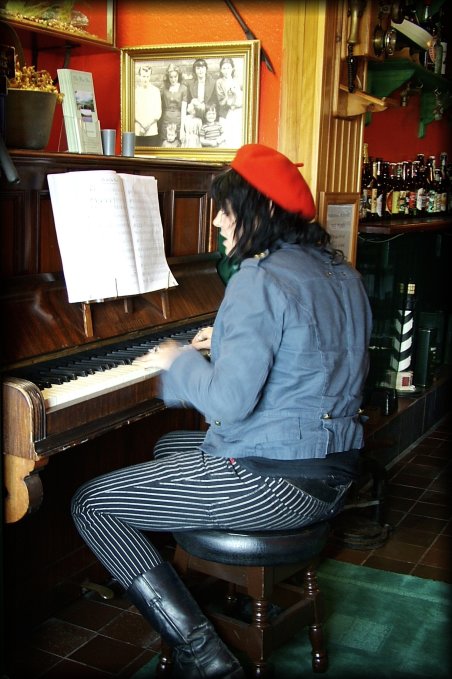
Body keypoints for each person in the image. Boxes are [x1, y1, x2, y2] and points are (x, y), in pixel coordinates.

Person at [71, 143, 372, 679]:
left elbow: (230, 405)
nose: (215, 220)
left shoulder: (258, 278)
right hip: (338, 470)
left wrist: (180, 359)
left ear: (261, 211)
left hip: (277, 483)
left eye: (226, 208)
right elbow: (305, 357)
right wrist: (227, 344)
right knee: (169, 448)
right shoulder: (339, 272)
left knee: (93, 503)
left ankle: (202, 652)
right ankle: (208, 587)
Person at [215, 57, 243, 147]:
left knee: (237, 137)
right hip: (226, 113)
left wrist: (236, 93)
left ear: (232, 68)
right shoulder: (219, 82)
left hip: (238, 111)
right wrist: (227, 95)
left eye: (228, 68)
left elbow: (243, 99)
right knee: (225, 138)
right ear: (221, 70)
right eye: (224, 68)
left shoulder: (238, 81)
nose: (226, 70)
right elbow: (221, 103)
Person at [159, 63, 188, 146]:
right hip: (166, 119)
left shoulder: (183, 89)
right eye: (171, 77)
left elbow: (184, 109)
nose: (173, 79)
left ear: (178, 76)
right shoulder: (164, 89)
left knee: (178, 143)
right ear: (168, 77)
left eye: (175, 76)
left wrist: (182, 128)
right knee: (165, 143)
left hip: (178, 119)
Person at [134, 64, 162, 147]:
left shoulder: (155, 91)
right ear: (139, 76)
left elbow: (158, 112)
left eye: (147, 76)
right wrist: (142, 125)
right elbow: (134, 111)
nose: (145, 79)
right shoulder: (136, 92)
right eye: (143, 76)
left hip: (151, 130)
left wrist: (147, 126)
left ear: (150, 76)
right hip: (138, 129)